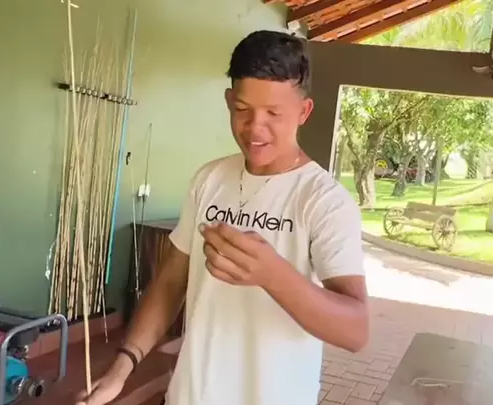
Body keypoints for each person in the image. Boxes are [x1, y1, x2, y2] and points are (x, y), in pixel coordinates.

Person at [76, 29, 369, 405]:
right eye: (243, 109)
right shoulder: (209, 179)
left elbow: (356, 331)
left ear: (303, 111)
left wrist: (273, 275)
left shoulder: (324, 200)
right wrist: (121, 368)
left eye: (273, 113)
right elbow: (170, 283)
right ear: (229, 101)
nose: (255, 128)